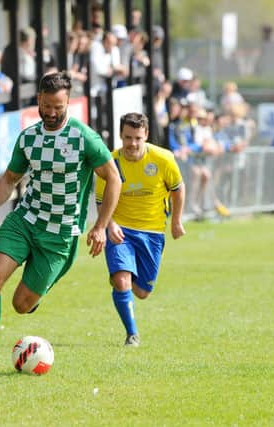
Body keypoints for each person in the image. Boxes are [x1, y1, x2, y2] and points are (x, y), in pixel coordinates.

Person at [0, 71, 122, 371]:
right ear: (39, 99)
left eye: (58, 107)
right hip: (25, 219)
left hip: (60, 234)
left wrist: (101, 225)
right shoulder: (29, 137)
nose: (51, 113)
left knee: (21, 305)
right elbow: (11, 177)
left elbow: (113, 179)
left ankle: (37, 288)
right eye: (47, 105)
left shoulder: (84, 137)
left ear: (68, 104)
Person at [95, 112, 185, 347]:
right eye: (127, 137)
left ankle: (121, 277)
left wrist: (176, 221)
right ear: (120, 136)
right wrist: (109, 224)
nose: (132, 143)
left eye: (137, 138)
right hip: (120, 230)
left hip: (153, 233)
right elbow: (100, 200)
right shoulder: (110, 163)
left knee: (143, 292)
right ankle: (132, 334)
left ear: (145, 135)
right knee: (123, 281)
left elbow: (178, 188)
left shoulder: (163, 159)